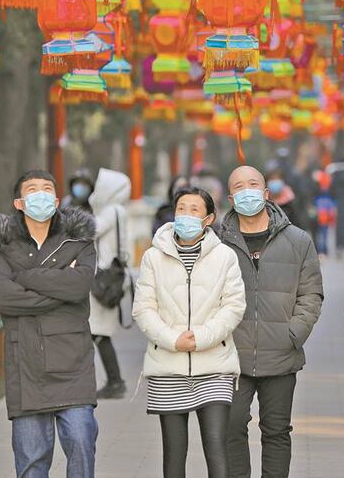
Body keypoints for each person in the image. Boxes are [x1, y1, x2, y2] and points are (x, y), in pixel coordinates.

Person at [0, 170, 98, 478]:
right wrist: (59, 286)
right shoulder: (0, 245)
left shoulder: (78, 239)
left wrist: (25, 278)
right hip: (25, 362)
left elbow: (78, 287)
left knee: (82, 446)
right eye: (32, 190)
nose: (41, 195)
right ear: (19, 203)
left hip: (73, 360)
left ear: (57, 200)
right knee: (32, 461)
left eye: (47, 189)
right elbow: (4, 298)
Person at [218, 165, 324, 478]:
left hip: (280, 354)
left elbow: (312, 294)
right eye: (239, 186)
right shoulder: (218, 244)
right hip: (230, 356)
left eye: (253, 184)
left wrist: (294, 333)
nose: (246, 190)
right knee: (231, 430)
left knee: (276, 431)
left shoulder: (298, 240)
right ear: (231, 197)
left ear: (266, 194)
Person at [133, 186, 246, 478]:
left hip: (215, 363)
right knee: (174, 451)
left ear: (208, 218)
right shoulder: (152, 257)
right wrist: (173, 340)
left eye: (194, 209)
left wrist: (202, 337)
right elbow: (143, 309)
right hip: (167, 366)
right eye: (181, 208)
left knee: (216, 445)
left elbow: (234, 306)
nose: (186, 215)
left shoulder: (225, 257)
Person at [89, 167, 132, 399]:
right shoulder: (119, 210)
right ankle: (114, 381)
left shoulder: (111, 211)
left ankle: (115, 381)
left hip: (102, 279)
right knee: (98, 332)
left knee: (98, 333)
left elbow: (90, 231)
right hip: (111, 278)